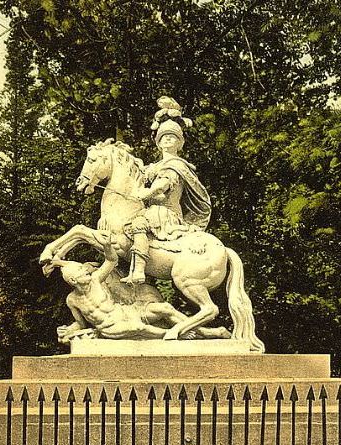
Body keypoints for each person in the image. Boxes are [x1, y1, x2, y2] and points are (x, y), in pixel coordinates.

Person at [55, 233, 230, 341]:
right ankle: (199, 333)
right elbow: (79, 322)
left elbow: (111, 260)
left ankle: (202, 331)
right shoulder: (72, 300)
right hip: (112, 326)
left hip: (128, 311)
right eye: (81, 270)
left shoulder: (95, 280)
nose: (85, 269)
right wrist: (69, 329)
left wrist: (108, 246)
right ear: (73, 280)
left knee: (165, 308)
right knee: (139, 328)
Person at [120, 97, 212, 284]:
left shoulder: (177, 164)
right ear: (158, 142)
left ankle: (138, 271)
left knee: (138, 225)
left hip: (166, 214)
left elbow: (165, 183)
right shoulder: (154, 166)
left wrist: (149, 193)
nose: (168, 140)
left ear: (180, 143)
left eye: (173, 137)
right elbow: (138, 176)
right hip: (152, 211)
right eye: (164, 137)